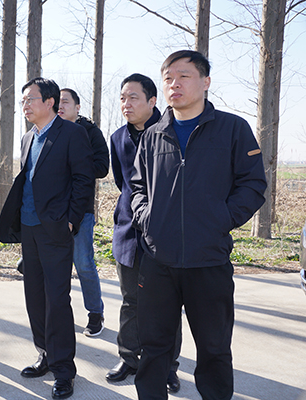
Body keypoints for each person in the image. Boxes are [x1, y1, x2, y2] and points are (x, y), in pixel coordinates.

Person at [130, 50, 267, 399]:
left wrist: (221, 219)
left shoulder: (232, 129)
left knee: (214, 348)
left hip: (209, 260)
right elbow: (137, 187)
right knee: (154, 347)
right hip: (158, 260)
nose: (174, 84)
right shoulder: (153, 135)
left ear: (205, 82)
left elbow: (252, 185)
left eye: (184, 76)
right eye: (168, 78)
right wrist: (148, 219)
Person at [0, 78, 94, 400]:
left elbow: (84, 180)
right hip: (29, 228)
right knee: (35, 296)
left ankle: (64, 369)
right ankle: (45, 354)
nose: (25, 105)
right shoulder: (28, 137)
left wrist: (71, 221)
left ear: (50, 102)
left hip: (56, 230)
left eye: (30, 99)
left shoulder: (72, 134)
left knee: (57, 299)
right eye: (23, 101)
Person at [107, 74, 182, 393]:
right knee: (130, 301)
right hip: (128, 231)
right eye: (122, 98)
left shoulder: (172, 132)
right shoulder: (117, 137)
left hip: (166, 233)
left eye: (133, 97)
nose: (126, 104)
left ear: (153, 101)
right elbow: (122, 183)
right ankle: (128, 358)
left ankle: (168, 366)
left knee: (167, 305)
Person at [57, 88, 109, 336]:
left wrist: (75, 163)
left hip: (81, 209)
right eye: (56, 102)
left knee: (84, 264)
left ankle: (95, 313)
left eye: (65, 102)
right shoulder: (50, 129)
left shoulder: (90, 132)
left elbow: (102, 167)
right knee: (56, 266)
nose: (59, 106)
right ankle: (59, 314)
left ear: (77, 107)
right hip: (53, 210)